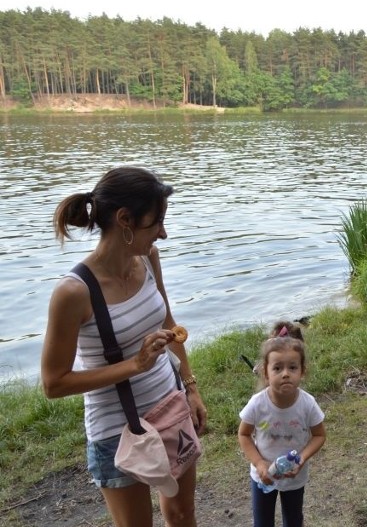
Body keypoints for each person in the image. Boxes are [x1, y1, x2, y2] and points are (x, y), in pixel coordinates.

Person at [40, 166, 207, 526]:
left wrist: (190, 388)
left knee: (183, 514)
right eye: (156, 222)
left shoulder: (147, 259)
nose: (163, 233)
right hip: (117, 432)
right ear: (124, 220)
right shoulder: (74, 292)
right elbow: (54, 383)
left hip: (170, 407)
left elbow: (168, 323)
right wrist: (134, 365)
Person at [238, 336, 326, 527]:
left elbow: (319, 435)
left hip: (295, 476)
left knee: (294, 520)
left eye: (292, 367)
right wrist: (259, 463)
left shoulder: (307, 404)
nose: (285, 374)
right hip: (262, 475)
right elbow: (243, 435)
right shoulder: (257, 404)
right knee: (262, 522)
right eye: (277, 368)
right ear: (266, 373)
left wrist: (301, 459)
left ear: (303, 371)